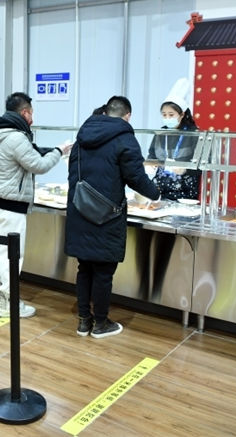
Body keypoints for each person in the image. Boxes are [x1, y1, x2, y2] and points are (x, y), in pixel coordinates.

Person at [65, 96, 160, 338]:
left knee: (84, 267)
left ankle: (84, 321)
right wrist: (156, 193)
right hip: (107, 214)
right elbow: (136, 177)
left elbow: (72, 171)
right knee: (104, 271)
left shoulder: (82, 134)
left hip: (79, 209)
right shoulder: (125, 138)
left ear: (106, 112)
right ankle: (101, 323)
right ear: (127, 116)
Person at [0, 92, 72, 318]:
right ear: (24, 112)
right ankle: (9, 304)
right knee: (12, 255)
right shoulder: (17, 137)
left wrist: (47, 149)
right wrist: (59, 152)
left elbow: (26, 154)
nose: (32, 118)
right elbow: (38, 165)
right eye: (31, 113)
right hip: (11, 206)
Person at [146, 77, 201, 201]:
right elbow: (152, 155)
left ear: (182, 114)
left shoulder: (194, 134)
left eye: (171, 115)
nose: (167, 118)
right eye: (164, 115)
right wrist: (150, 164)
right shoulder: (160, 133)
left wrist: (186, 169)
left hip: (185, 193)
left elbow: (202, 164)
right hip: (159, 189)